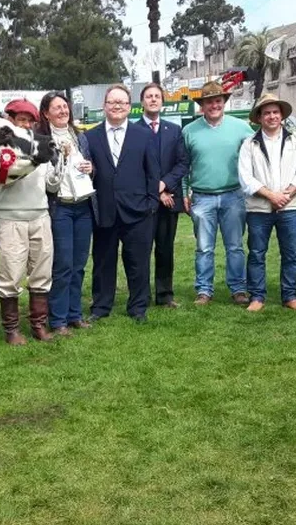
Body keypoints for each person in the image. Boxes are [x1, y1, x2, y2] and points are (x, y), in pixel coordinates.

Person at [85, 84, 160, 324]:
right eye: (112, 102)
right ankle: (101, 306)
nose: (117, 106)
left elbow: (153, 172)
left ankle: (138, 307)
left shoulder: (144, 135)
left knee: (138, 262)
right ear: (104, 106)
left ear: (129, 106)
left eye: (122, 102)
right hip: (104, 210)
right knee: (103, 261)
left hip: (138, 211)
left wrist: (151, 203)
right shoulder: (90, 137)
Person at [0, 98, 61, 344]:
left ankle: (38, 326)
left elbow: (51, 185)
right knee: (10, 274)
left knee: (42, 272)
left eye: (30, 121)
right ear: (10, 120)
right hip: (10, 217)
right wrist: (32, 162)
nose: (26, 125)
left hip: (40, 214)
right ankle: (11, 330)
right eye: (21, 119)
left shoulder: (39, 145)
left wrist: (57, 166)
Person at [182, 81, 254, 306]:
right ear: (202, 105)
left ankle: (238, 289)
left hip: (234, 195)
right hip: (202, 196)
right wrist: (184, 193)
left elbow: (256, 155)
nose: (214, 105)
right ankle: (204, 290)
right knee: (204, 248)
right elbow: (183, 166)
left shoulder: (241, 127)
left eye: (218, 101)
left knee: (235, 246)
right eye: (209, 102)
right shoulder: (189, 131)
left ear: (224, 102)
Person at [237, 94, 296, 311]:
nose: (272, 116)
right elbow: (246, 178)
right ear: (260, 117)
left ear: (281, 115)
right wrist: (271, 196)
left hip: (290, 206)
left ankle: (290, 296)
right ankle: (257, 297)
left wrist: (286, 194)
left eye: (275, 112)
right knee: (257, 253)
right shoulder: (249, 144)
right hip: (258, 209)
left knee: (291, 254)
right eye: (267, 113)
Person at [42, 92, 95, 336]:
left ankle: (75, 315)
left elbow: (90, 168)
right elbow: (47, 181)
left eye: (65, 106)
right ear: (46, 113)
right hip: (60, 208)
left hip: (83, 207)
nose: (63, 111)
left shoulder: (80, 137)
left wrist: (90, 167)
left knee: (79, 264)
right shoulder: (45, 141)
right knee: (63, 265)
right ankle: (58, 319)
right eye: (57, 108)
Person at [139, 83, 189, 308]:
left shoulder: (174, 130)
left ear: (162, 101)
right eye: (149, 96)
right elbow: (134, 167)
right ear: (142, 102)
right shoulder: (133, 131)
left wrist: (165, 184)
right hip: (143, 202)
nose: (153, 99)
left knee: (165, 249)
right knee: (141, 251)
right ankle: (141, 296)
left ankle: (165, 295)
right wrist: (157, 191)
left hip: (169, 201)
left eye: (157, 96)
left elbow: (182, 163)